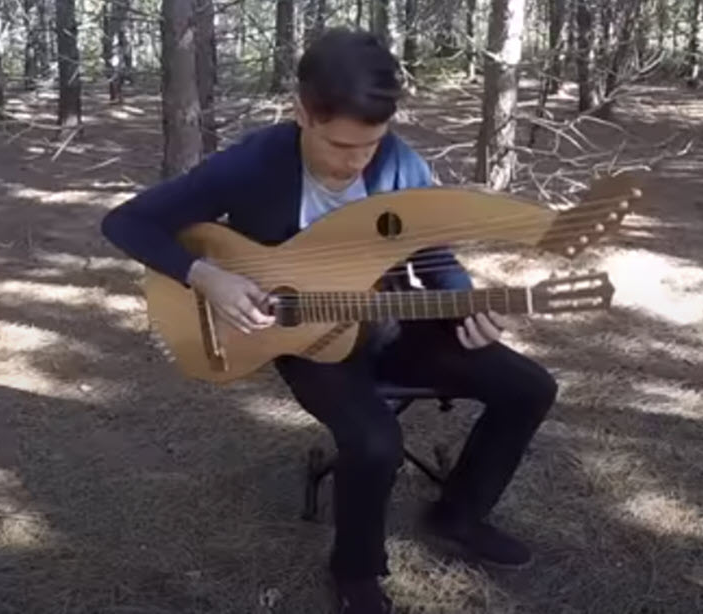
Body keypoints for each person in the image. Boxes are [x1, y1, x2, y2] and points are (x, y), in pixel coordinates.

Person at [101, 28, 557, 614]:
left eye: (370, 145)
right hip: (297, 334)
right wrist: (206, 276)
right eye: (341, 146)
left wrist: (466, 301)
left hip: (390, 319)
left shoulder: (400, 163)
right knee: (374, 441)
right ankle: (357, 573)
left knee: (529, 387)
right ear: (302, 113)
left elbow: (433, 255)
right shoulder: (253, 163)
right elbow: (127, 223)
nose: (356, 160)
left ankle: (459, 515)